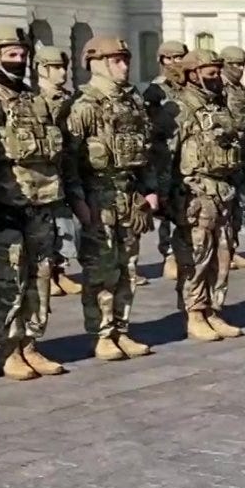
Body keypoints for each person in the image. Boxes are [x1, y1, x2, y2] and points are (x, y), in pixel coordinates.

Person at [0, 26, 68, 380]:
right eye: (11, 54)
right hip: (1, 208)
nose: (18, 61)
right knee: (6, 281)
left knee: (39, 277)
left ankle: (31, 344)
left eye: (22, 55)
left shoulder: (34, 100)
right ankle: (8, 350)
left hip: (40, 205)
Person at [61, 36, 157, 361]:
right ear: (97, 63)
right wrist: (78, 201)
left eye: (125, 59)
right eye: (116, 60)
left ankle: (121, 328)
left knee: (127, 267)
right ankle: (102, 333)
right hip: (98, 197)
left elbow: (145, 150)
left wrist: (149, 189)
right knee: (100, 270)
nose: (124, 65)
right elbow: (70, 160)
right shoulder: (84, 105)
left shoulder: (132, 103)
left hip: (129, 197)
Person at [171, 49, 245, 341]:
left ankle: (214, 309)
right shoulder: (179, 108)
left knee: (222, 256)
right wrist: (166, 197)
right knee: (196, 256)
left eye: (218, 73)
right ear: (193, 74)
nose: (217, 79)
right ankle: (194, 312)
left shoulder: (219, 106)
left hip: (223, 190)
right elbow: (167, 153)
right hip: (196, 193)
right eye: (211, 74)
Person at [35, 45, 83, 298]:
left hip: (67, 168)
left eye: (63, 67)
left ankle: (61, 271)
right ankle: (49, 273)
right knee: (48, 226)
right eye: (55, 67)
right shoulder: (34, 99)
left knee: (66, 225)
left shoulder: (70, 99)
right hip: (44, 173)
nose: (61, 72)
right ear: (42, 69)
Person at [143, 40, 188, 283]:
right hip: (165, 156)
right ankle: (169, 255)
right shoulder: (156, 90)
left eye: (179, 57)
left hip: (187, 156)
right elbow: (149, 128)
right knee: (166, 205)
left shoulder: (188, 87)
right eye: (168, 59)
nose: (174, 63)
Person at [217, 45, 245, 272]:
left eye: (242, 64)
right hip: (227, 154)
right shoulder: (219, 88)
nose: (240, 69)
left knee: (239, 206)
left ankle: (232, 249)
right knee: (226, 206)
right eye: (234, 64)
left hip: (242, 155)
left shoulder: (240, 89)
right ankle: (223, 252)